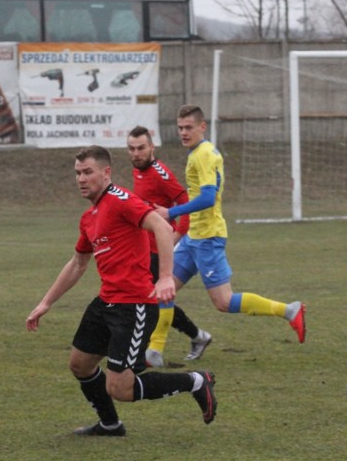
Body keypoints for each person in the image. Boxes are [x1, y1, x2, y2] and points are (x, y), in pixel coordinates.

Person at [26, 146, 217, 436]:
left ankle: (196, 381)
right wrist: (45, 303)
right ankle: (110, 424)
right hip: (106, 302)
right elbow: (78, 263)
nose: (81, 178)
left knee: (121, 388)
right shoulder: (90, 216)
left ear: (106, 173)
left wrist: (165, 277)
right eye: (77, 173)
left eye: (88, 172)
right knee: (79, 364)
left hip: (134, 306)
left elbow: (163, 228)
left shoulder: (122, 200)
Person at [153, 105, 306, 345]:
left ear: (202, 126)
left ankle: (289, 310)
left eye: (188, 127)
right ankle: (154, 350)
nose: (183, 132)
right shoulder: (197, 152)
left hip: (208, 238)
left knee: (224, 302)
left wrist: (171, 213)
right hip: (194, 236)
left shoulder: (203, 154)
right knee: (163, 289)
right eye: (180, 128)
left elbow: (207, 198)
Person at [126, 125, 212, 367]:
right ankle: (197, 336)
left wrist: (175, 237)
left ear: (152, 147)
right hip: (144, 247)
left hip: (158, 249)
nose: (136, 153)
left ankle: (150, 350)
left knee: (152, 299)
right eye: (131, 149)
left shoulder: (160, 173)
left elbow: (185, 202)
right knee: (156, 299)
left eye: (141, 148)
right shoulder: (139, 171)